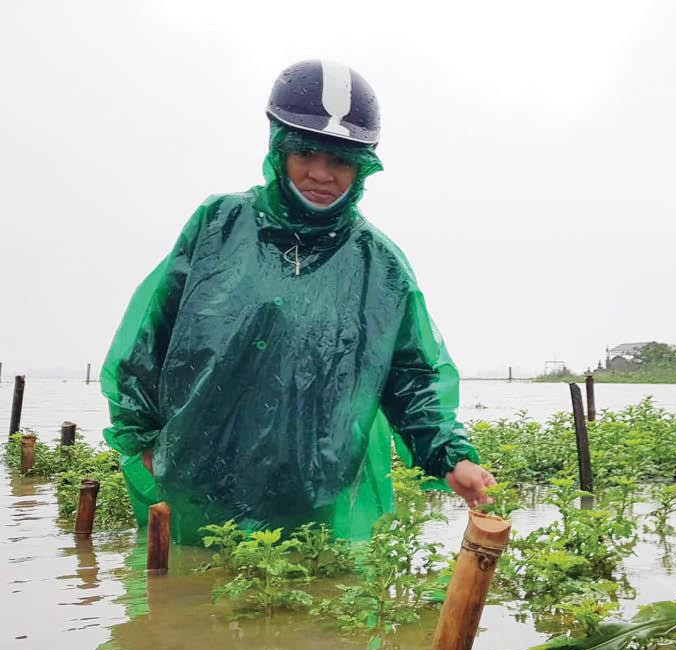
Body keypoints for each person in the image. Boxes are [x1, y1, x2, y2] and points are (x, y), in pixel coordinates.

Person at [101, 60, 494, 543]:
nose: (321, 174)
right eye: (306, 152)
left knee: (304, 606)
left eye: (341, 161)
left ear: (362, 166)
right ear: (279, 149)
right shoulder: (217, 226)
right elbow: (149, 342)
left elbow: (412, 377)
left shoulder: (380, 266)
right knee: (184, 604)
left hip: (312, 496)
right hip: (194, 485)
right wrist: (142, 440)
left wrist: (449, 456)